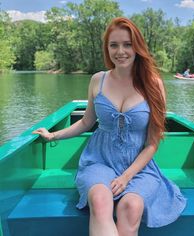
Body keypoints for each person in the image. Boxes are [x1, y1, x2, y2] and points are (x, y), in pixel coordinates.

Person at [33, 17, 186, 236]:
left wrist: (126, 177)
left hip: (138, 166)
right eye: (114, 45)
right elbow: (86, 122)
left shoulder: (154, 85)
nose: (120, 51)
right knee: (100, 200)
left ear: (137, 47)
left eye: (127, 44)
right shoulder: (98, 80)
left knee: (131, 206)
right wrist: (52, 135)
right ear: (107, 48)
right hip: (99, 159)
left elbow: (152, 143)